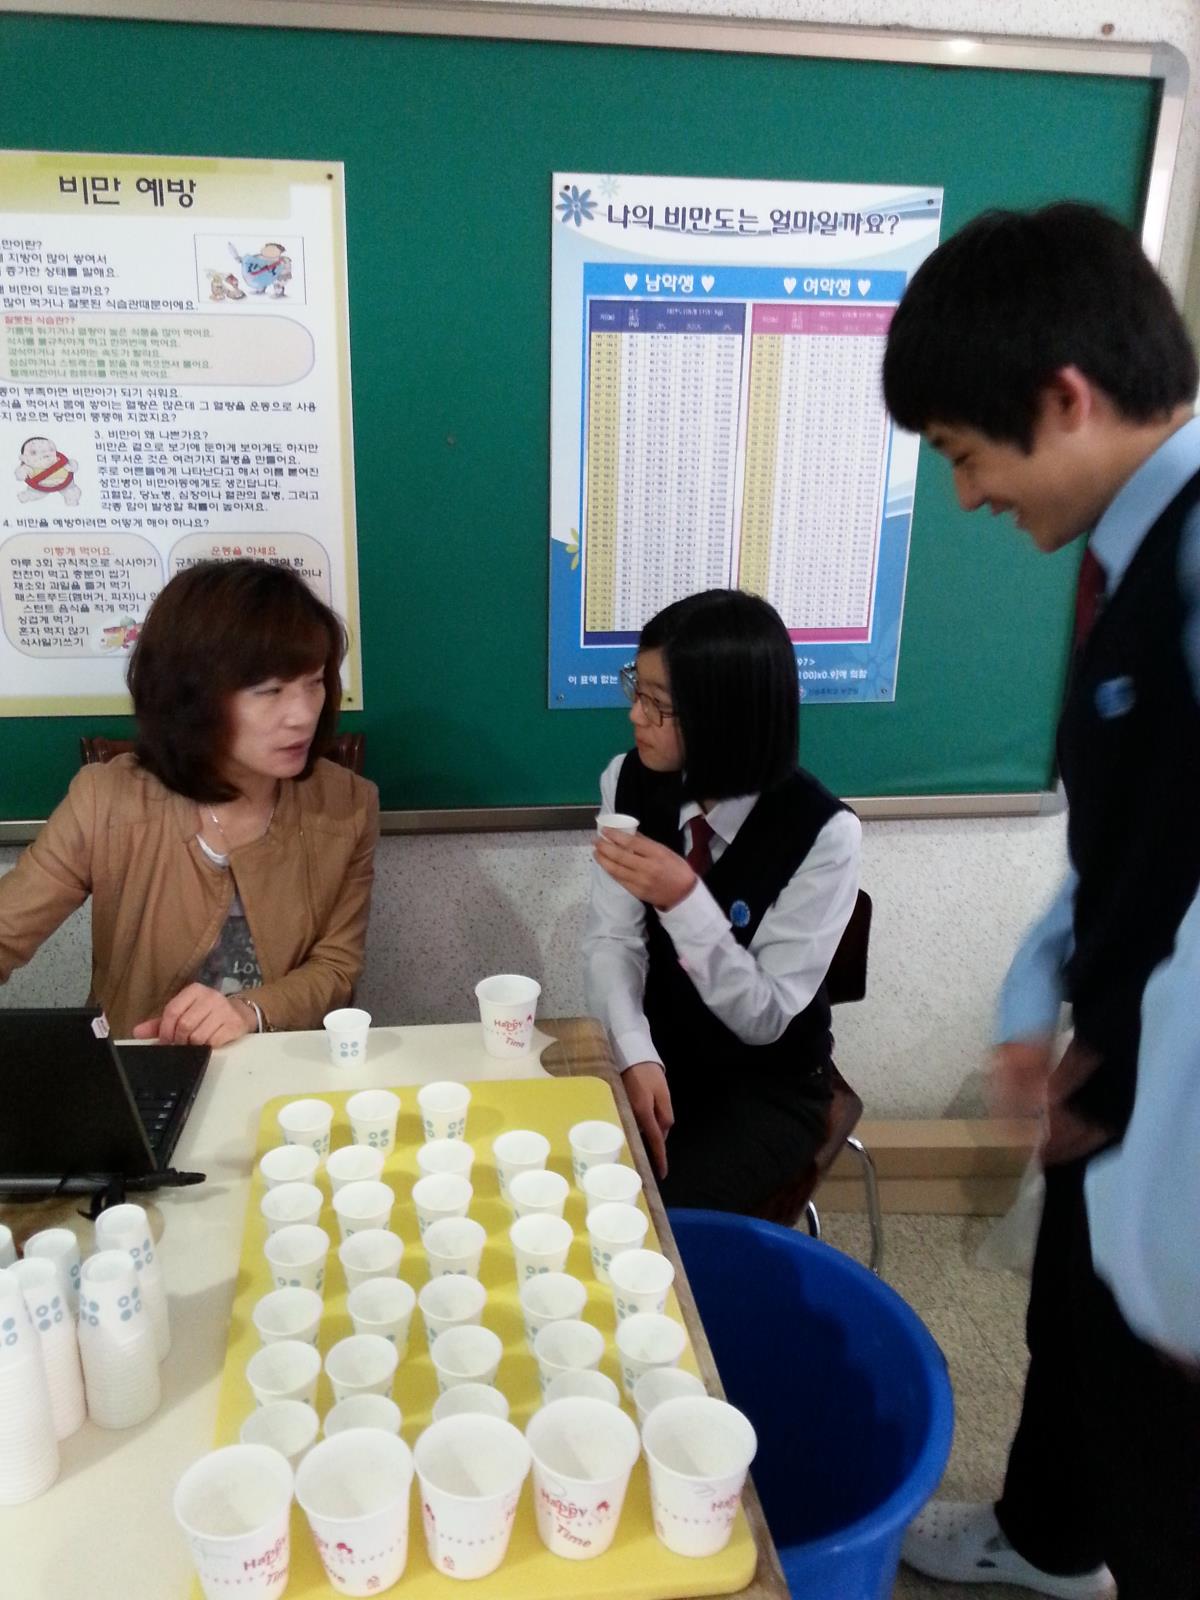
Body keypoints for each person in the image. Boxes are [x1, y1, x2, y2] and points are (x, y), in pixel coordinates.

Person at [882, 202, 1200, 1600]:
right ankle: (1052, 1538)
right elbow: (1132, 836)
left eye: (965, 455)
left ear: (1064, 398)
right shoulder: (1129, 556)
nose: (965, 498)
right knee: (1075, 1318)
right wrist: (1038, 1002)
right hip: (1126, 1052)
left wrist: (1171, 1250)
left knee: (1162, 1412)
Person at [0, 559, 379, 1044]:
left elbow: (336, 965)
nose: (303, 714)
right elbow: (7, 931)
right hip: (145, 1071)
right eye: (270, 691)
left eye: (315, 682)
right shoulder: (106, 799)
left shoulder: (349, 803)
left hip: (283, 1070)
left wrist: (248, 1011)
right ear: (193, 698)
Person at [583, 588, 861, 1214]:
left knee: (660, 1225)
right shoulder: (627, 782)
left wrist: (685, 900)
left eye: (659, 704)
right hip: (660, 1053)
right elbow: (612, 939)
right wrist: (632, 1050)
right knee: (570, 1184)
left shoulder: (825, 834)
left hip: (766, 1087)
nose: (635, 715)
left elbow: (763, 1019)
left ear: (725, 716)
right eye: (637, 688)